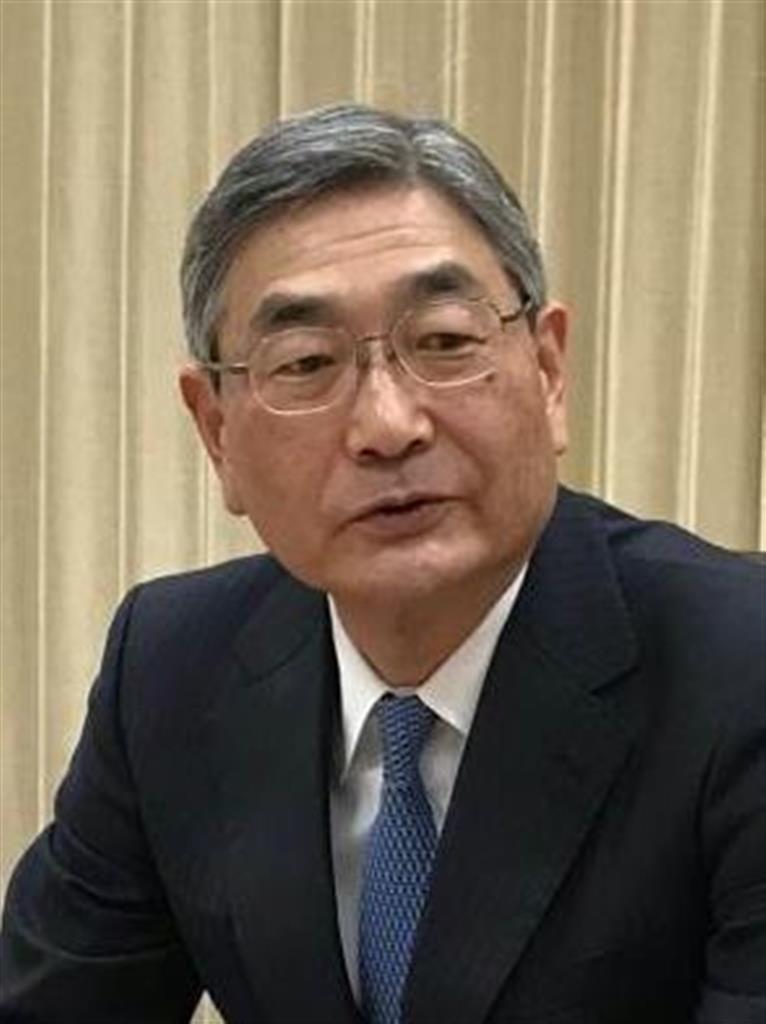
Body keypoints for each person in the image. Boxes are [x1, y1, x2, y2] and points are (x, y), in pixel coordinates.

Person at [0, 104, 763, 1024]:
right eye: (305, 363)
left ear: (550, 372)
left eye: (443, 341)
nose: (387, 426)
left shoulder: (739, 669)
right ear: (217, 432)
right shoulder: (169, 667)